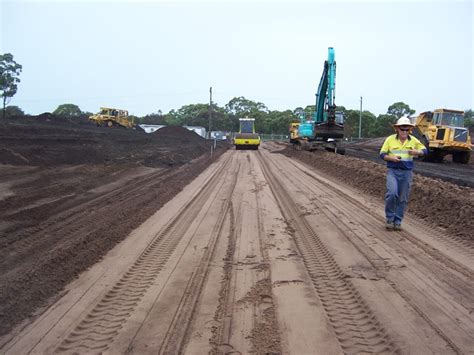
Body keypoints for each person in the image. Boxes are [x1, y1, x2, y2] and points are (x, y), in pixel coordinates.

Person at [379, 115, 428, 231]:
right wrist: (391, 158)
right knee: (392, 194)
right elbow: (382, 154)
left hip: (406, 173)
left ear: (410, 130)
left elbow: (425, 150)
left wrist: (417, 152)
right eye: (402, 129)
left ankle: (398, 221)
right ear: (397, 129)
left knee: (402, 198)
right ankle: (390, 218)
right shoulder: (390, 140)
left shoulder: (413, 140)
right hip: (393, 171)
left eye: (407, 129)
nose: (404, 131)